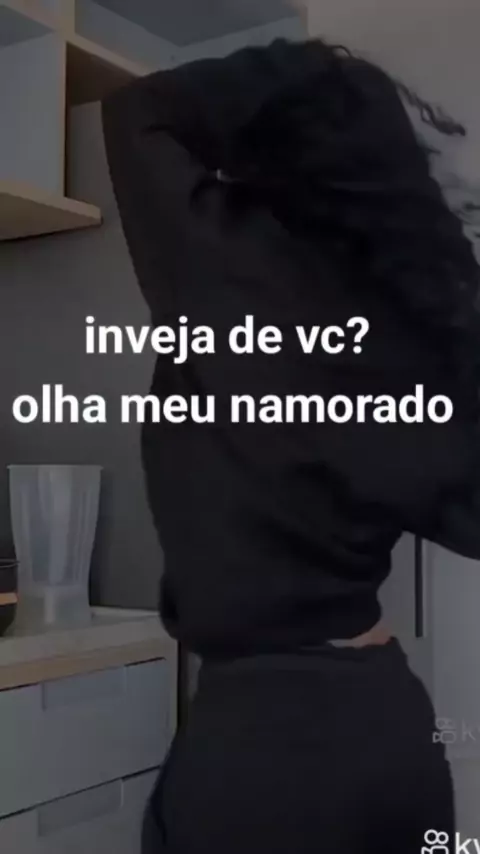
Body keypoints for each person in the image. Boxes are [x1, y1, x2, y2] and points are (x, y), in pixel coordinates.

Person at [102, 37, 480, 854]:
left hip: (266, 750)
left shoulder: (229, 269)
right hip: (392, 733)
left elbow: (138, 111)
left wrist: (313, 68)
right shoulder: (410, 333)